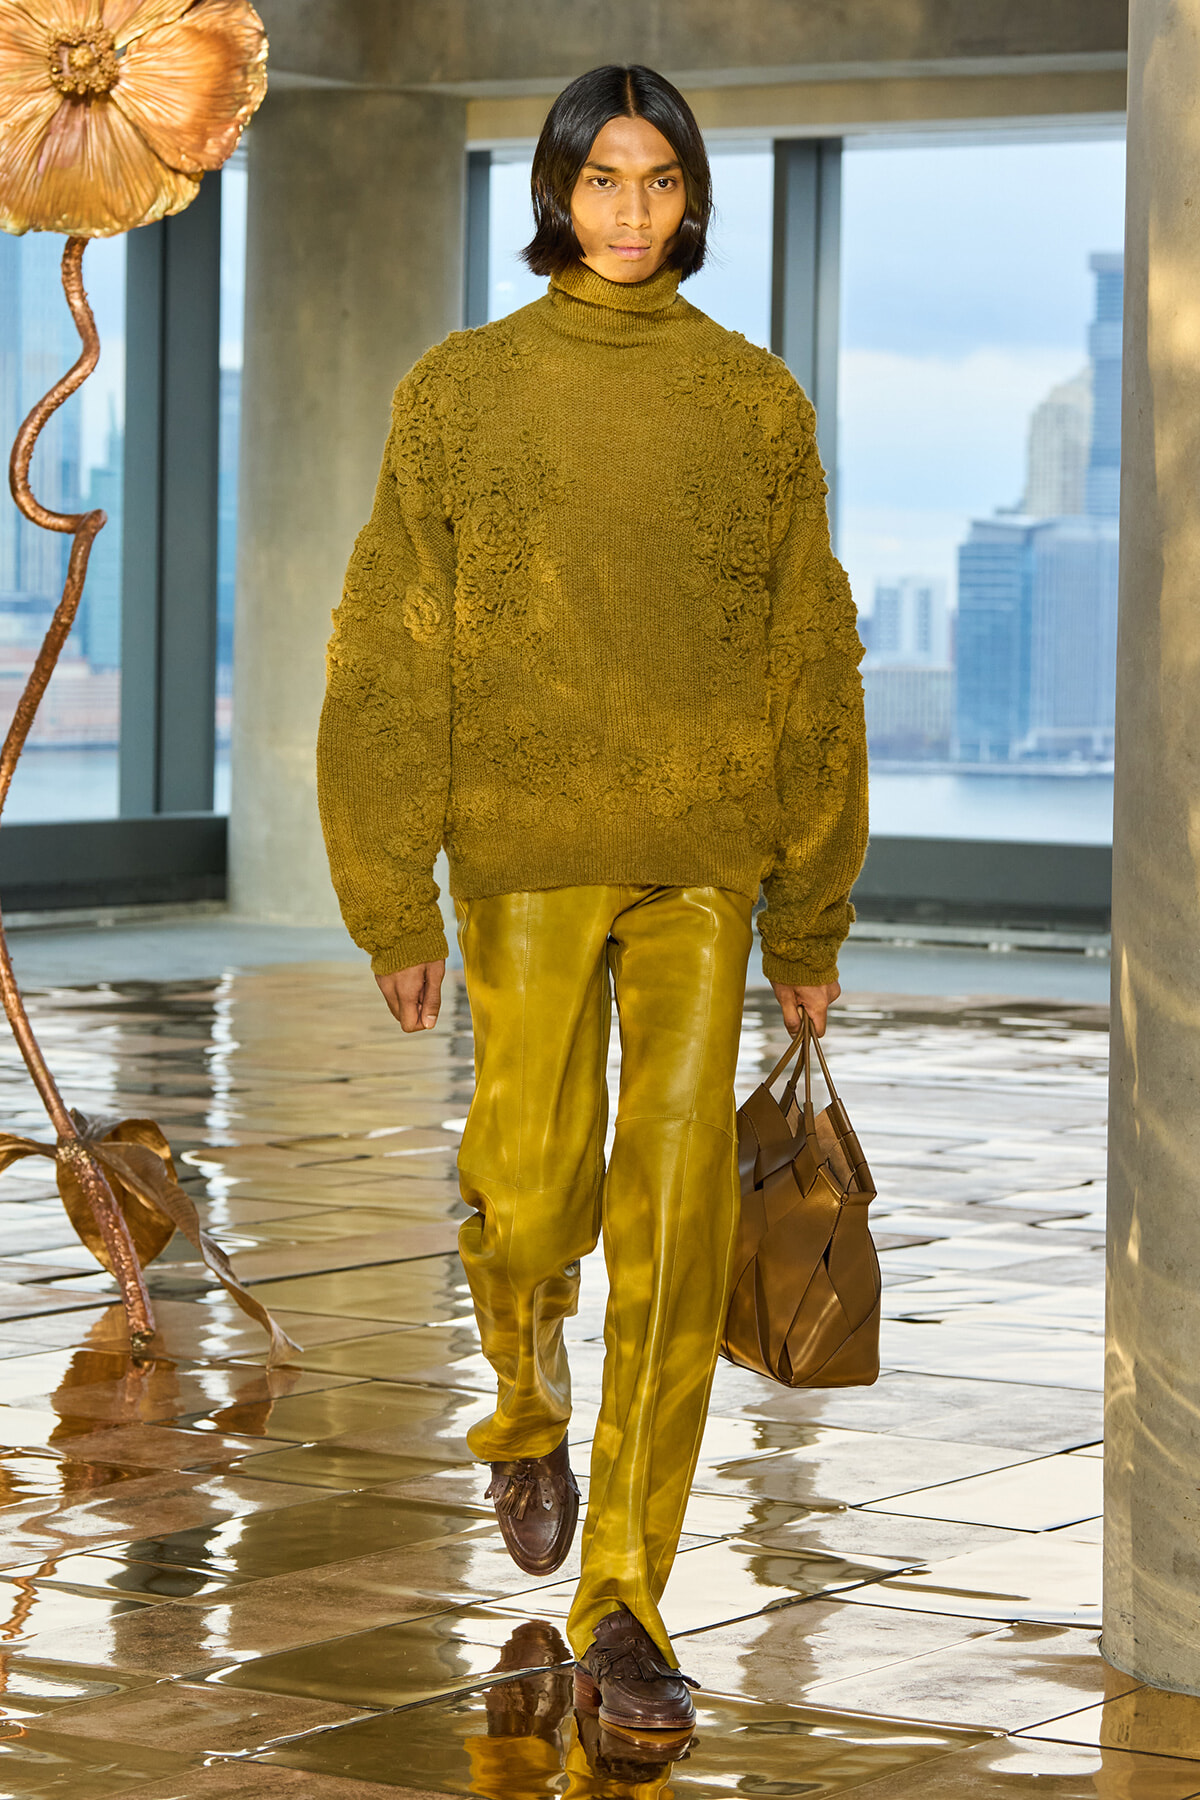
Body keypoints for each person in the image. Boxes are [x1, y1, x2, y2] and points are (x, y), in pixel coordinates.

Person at [317, 63, 867, 1744]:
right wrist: (388, 897)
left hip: (706, 859)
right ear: (556, 195)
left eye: (658, 179)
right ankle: (524, 1398)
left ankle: (624, 1584)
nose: (630, 209)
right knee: (532, 1184)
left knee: (678, 1218)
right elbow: (389, 640)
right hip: (524, 846)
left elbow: (810, 654)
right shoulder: (462, 395)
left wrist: (812, 915)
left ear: (693, 199)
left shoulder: (755, 403)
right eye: (601, 179)